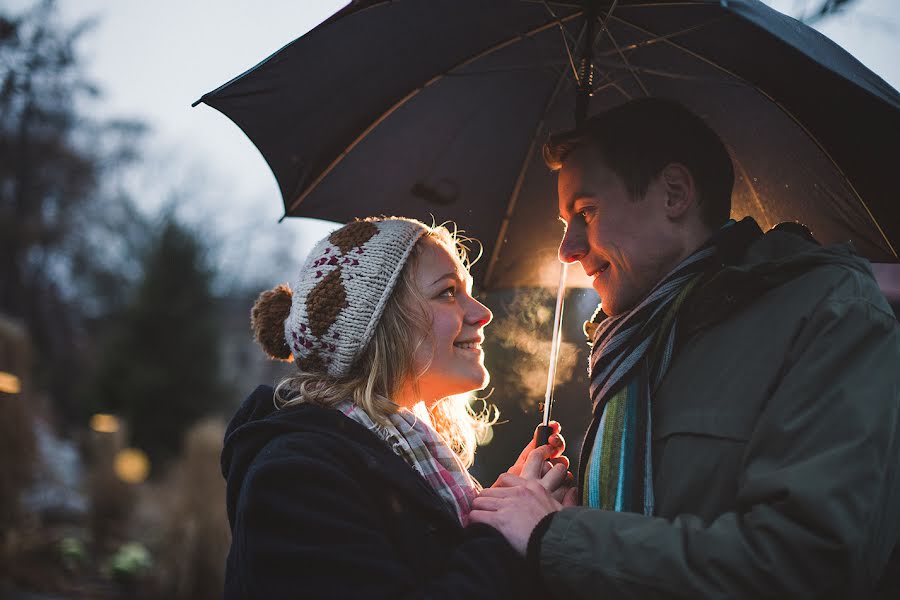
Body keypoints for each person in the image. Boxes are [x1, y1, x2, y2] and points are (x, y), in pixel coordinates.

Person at [469, 98, 900, 598]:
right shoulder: (631, 345)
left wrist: (556, 535)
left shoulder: (830, 312)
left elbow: (808, 566)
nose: (568, 248)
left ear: (674, 194)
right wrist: (570, 509)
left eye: (586, 212)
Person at [221, 216, 570, 599]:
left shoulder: (415, 461)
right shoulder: (295, 475)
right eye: (448, 292)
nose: (481, 313)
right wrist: (505, 537)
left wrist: (510, 504)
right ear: (383, 324)